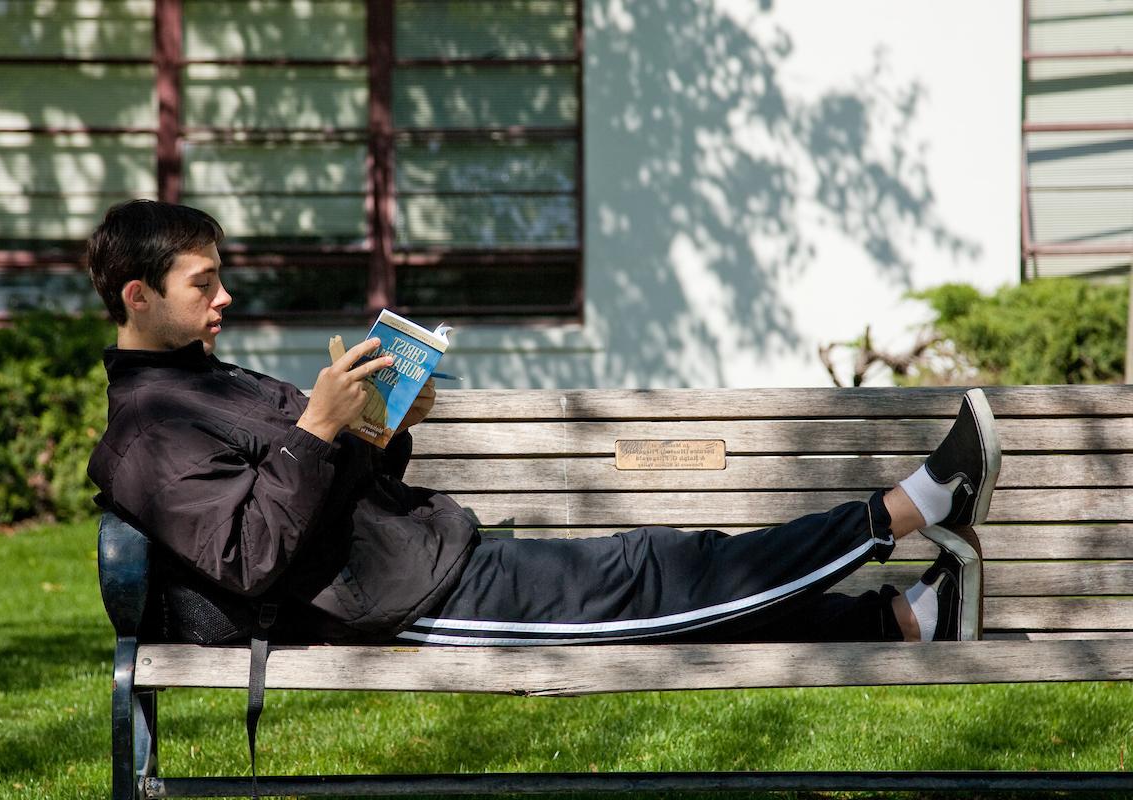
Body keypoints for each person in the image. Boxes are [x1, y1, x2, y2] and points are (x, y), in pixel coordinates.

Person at [86, 200, 1002, 648]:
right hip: (405, 607)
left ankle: (903, 619)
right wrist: (316, 428)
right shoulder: (141, 434)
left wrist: (375, 425)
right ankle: (906, 511)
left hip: (434, 558)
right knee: (663, 582)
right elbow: (249, 554)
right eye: (203, 284)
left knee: (665, 571)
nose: (224, 297)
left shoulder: (203, 382)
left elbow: (319, 483)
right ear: (138, 295)